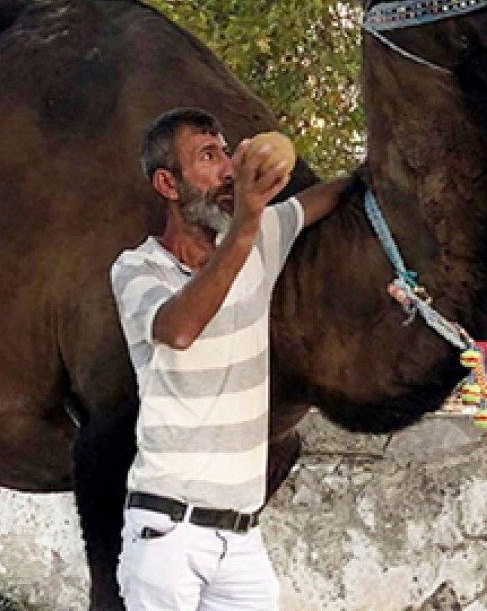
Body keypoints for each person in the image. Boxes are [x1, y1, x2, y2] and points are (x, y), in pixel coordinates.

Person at [109, 107, 351, 610]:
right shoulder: (136, 268)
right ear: (168, 184)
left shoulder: (261, 237)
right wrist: (245, 224)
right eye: (206, 156)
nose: (226, 169)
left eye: (226, 153)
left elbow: (333, 194)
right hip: (167, 534)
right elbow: (177, 330)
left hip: (241, 538)